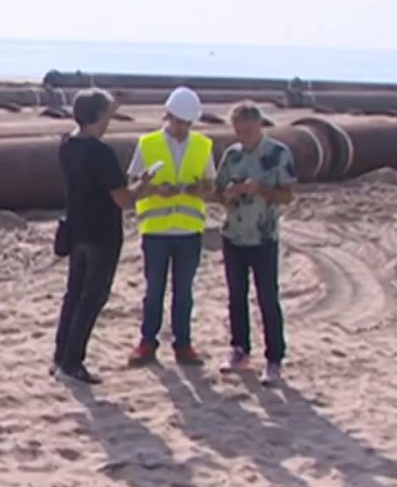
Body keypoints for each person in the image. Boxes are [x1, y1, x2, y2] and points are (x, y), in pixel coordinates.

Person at [53, 89, 152, 386]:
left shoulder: (68, 145)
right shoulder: (102, 153)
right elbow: (122, 199)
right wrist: (142, 186)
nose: (110, 117)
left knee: (74, 295)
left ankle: (61, 357)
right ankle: (73, 361)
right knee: (92, 298)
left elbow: (91, 119)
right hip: (103, 233)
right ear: (98, 116)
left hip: (77, 229)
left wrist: (111, 104)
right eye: (107, 113)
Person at [126, 86, 217, 368]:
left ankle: (183, 344)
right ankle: (147, 342)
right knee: (154, 290)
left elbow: (210, 185)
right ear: (168, 116)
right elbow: (132, 186)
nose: (182, 128)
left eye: (187, 124)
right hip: (156, 231)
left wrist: (198, 190)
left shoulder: (203, 145)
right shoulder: (148, 143)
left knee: (184, 292)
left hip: (189, 230)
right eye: (179, 122)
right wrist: (154, 190)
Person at [215, 101, 297, 384]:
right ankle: (240, 350)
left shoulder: (278, 153)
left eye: (247, 131)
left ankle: (274, 358)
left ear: (259, 126)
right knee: (236, 296)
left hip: (263, 236)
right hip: (234, 235)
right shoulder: (232, 155)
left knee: (267, 298)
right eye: (238, 131)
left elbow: (287, 195)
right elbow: (218, 192)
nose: (242, 137)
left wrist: (261, 189)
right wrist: (231, 192)